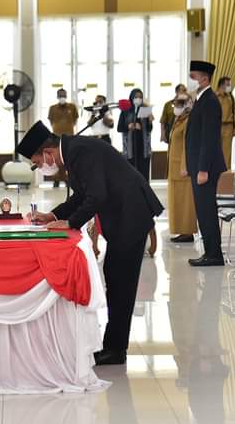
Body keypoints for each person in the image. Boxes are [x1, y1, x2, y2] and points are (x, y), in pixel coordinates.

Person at [18, 122, 163, 366]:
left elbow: (97, 196)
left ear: (48, 153)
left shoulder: (80, 152)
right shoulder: (74, 151)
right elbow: (82, 195)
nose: (41, 167)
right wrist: (53, 216)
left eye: (38, 163)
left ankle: (115, 350)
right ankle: (113, 346)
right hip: (122, 214)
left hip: (131, 214)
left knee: (121, 283)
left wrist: (70, 223)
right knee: (115, 278)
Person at [186, 60, 226, 267]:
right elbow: (195, 137)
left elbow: (209, 139)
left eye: (193, 76)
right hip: (199, 165)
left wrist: (202, 168)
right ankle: (211, 252)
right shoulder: (201, 99)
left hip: (206, 168)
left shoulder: (210, 101)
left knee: (206, 210)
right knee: (202, 210)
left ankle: (214, 254)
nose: (190, 80)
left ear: (204, 78)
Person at [117, 88, 157, 256]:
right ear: (131, 98)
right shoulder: (125, 111)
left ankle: (144, 197)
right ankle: (132, 197)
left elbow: (150, 128)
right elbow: (119, 128)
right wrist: (129, 125)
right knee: (131, 179)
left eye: (140, 97)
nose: (138, 99)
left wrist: (148, 120)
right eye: (136, 97)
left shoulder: (146, 109)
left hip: (143, 151)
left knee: (143, 178)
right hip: (130, 151)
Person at [167, 92, 197, 243]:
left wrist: (185, 165)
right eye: (175, 104)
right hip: (173, 166)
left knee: (185, 200)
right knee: (176, 200)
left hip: (182, 167)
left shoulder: (189, 121)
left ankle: (188, 231)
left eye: (179, 104)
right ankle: (181, 230)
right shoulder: (178, 120)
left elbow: (188, 145)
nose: (175, 107)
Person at [47, 88, 78, 187]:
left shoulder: (72, 107)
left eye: (63, 95)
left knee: (68, 159)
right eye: (60, 95)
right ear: (57, 96)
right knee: (56, 159)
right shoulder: (52, 108)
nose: (62, 97)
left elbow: (75, 120)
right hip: (56, 138)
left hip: (69, 138)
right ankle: (56, 180)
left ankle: (68, 179)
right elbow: (51, 121)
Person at [216, 76, 235, 169]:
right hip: (217, 126)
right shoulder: (214, 97)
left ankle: (226, 171)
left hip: (228, 126)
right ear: (221, 85)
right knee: (216, 150)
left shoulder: (231, 97)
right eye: (227, 85)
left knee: (227, 151)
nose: (229, 86)